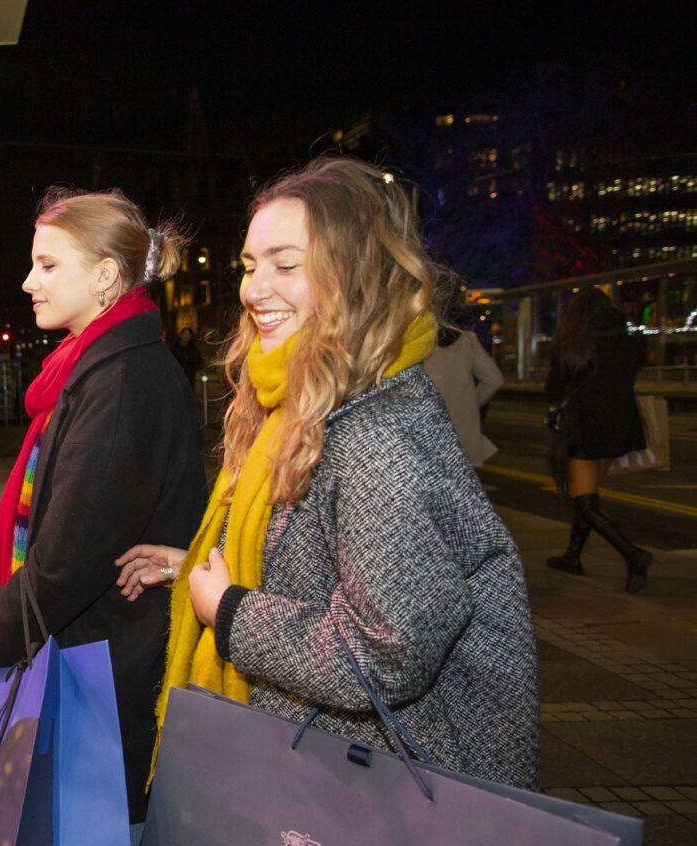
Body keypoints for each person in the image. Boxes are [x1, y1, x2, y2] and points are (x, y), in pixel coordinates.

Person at [119, 155, 539, 791]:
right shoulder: (307, 402)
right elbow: (322, 563)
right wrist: (200, 565)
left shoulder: (377, 435)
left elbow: (387, 653)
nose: (255, 289)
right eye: (251, 266)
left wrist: (230, 612)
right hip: (328, 778)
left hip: (377, 808)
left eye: (286, 265)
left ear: (357, 276)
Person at [0, 187, 213, 846]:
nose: (27, 282)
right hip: (110, 681)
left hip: (99, 692)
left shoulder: (118, 381)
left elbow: (64, 561)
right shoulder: (105, 368)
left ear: (107, 278)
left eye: (47, 264)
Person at [543, 288, 652, 592]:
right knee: (588, 497)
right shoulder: (630, 342)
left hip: (585, 427)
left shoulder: (574, 344)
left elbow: (553, 389)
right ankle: (572, 556)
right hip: (620, 426)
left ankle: (633, 554)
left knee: (585, 501)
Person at [423, 324, 503, 466]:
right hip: (465, 440)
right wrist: (470, 404)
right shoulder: (468, 339)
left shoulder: (412, 342)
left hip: (427, 441)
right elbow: (494, 380)